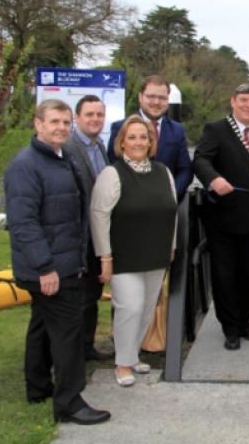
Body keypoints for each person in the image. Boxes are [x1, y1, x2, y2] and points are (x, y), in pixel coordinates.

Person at [5, 99, 110, 425]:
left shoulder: (61, 159)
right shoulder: (26, 166)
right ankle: (69, 402)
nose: (61, 128)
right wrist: (45, 267)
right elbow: (23, 223)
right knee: (68, 333)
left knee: (40, 325)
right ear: (38, 124)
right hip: (51, 268)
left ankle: (38, 387)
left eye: (66, 122)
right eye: (55, 122)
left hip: (64, 262)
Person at [91, 115, 178, 387]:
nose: (139, 142)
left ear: (151, 142)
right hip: (124, 255)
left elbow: (172, 212)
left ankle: (133, 352)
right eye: (132, 137)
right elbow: (99, 216)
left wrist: (171, 246)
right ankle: (123, 363)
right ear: (121, 143)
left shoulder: (163, 172)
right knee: (130, 307)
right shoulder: (112, 174)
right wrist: (105, 257)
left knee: (146, 309)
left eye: (144, 137)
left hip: (156, 253)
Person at [193, 83, 249, 350]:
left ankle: (244, 321)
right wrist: (213, 179)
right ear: (233, 101)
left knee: (248, 274)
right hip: (223, 219)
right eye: (244, 100)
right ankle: (230, 328)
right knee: (225, 275)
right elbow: (201, 160)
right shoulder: (216, 129)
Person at [62, 94, 113, 362]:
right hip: (78, 234)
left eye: (99, 115)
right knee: (78, 298)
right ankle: (73, 354)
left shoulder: (99, 146)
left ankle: (87, 346)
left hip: (97, 233)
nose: (95, 119)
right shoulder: (69, 147)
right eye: (90, 115)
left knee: (92, 293)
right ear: (77, 118)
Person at [108, 74, 192, 197]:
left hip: (167, 205)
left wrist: (171, 195)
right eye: (151, 96)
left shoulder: (177, 130)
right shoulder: (121, 127)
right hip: (130, 203)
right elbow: (113, 165)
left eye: (162, 98)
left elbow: (185, 170)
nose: (156, 102)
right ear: (140, 97)